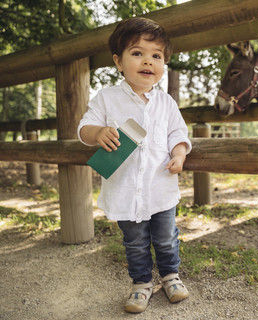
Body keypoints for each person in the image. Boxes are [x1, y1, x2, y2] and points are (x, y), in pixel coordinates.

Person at [77, 17, 191, 313]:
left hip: (161, 188)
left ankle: (170, 276)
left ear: (164, 63)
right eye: (137, 53)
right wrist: (98, 133)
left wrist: (179, 155)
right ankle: (141, 284)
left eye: (156, 56)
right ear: (118, 61)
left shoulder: (167, 103)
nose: (148, 61)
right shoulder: (107, 98)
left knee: (166, 238)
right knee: (136, 243)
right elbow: (85, 128)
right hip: (126, 191)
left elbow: (178, 134)